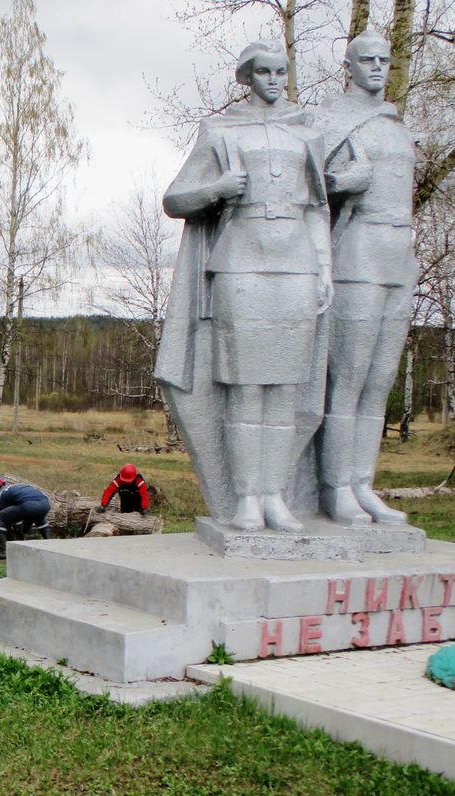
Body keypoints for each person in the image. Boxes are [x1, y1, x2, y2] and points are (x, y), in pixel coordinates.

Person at [154, 40, 331, 533]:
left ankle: (275, 494)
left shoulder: (306, 132)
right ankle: (247, 497)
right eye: (265, 72)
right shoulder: (220, 130)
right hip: (240, 263)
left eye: (282, 71)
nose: (275, 80)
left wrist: (325, 268)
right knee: (245, 389)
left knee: (284, 390)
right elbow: (175, 198)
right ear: (247, 77)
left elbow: (317, 208)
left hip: (296, 263)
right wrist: (217, 189)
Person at [311, 29, 415, 527]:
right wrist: (338, 185)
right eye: (366, 59)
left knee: (380, 381)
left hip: (401, 251)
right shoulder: (330, 121)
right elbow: (303, 191)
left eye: (383, 59)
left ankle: (363, 484)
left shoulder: (395, 125)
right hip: (358, 250)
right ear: (348, 66)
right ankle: (335, 490)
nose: (377, 66)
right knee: (348, 380)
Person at [0, 478, 51, 551]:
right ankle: (50, 543)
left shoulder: (1, 494)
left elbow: (6, 519)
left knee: (0, 517)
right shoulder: (14, 487)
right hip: (45, 504)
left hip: (29, 506)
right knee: (38, 516)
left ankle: (2, 550)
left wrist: (9, 536)